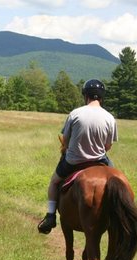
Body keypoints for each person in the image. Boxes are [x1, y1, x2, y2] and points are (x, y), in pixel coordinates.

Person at [38, 79, 117, 234]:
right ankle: (117, 216)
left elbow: (65, 141)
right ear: (101, 97)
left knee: (54, 182)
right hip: (100, 161)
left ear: (85, 95)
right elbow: (108, 146)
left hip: (74, 161)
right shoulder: (109, 117)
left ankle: (50, 216)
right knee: (117, 180)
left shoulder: (75, 113)